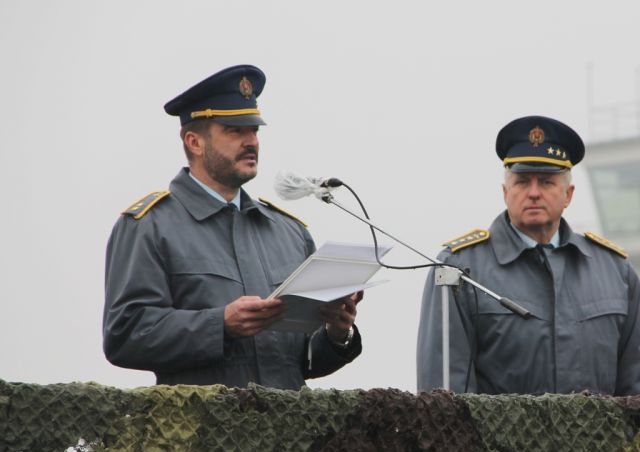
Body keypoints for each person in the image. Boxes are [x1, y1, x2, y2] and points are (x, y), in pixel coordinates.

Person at [102, 65, 363, 389]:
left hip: (289, 423)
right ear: (194, 142)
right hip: (200, 421)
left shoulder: (289, 232)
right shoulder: (149, 226)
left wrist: (336, 333)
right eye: (235, 131)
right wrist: (220, 324)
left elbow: (299, 361)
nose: (251, 142)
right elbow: (125, 336)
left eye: (254, 131)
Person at [417, 115, 640, 395]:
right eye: (522, 182)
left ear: (568, 194)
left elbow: (634, 390)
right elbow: (443, 396)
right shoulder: (458, 271)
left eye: (546, 182)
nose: (534, 193)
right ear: (505, 192)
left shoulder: (616, 273)